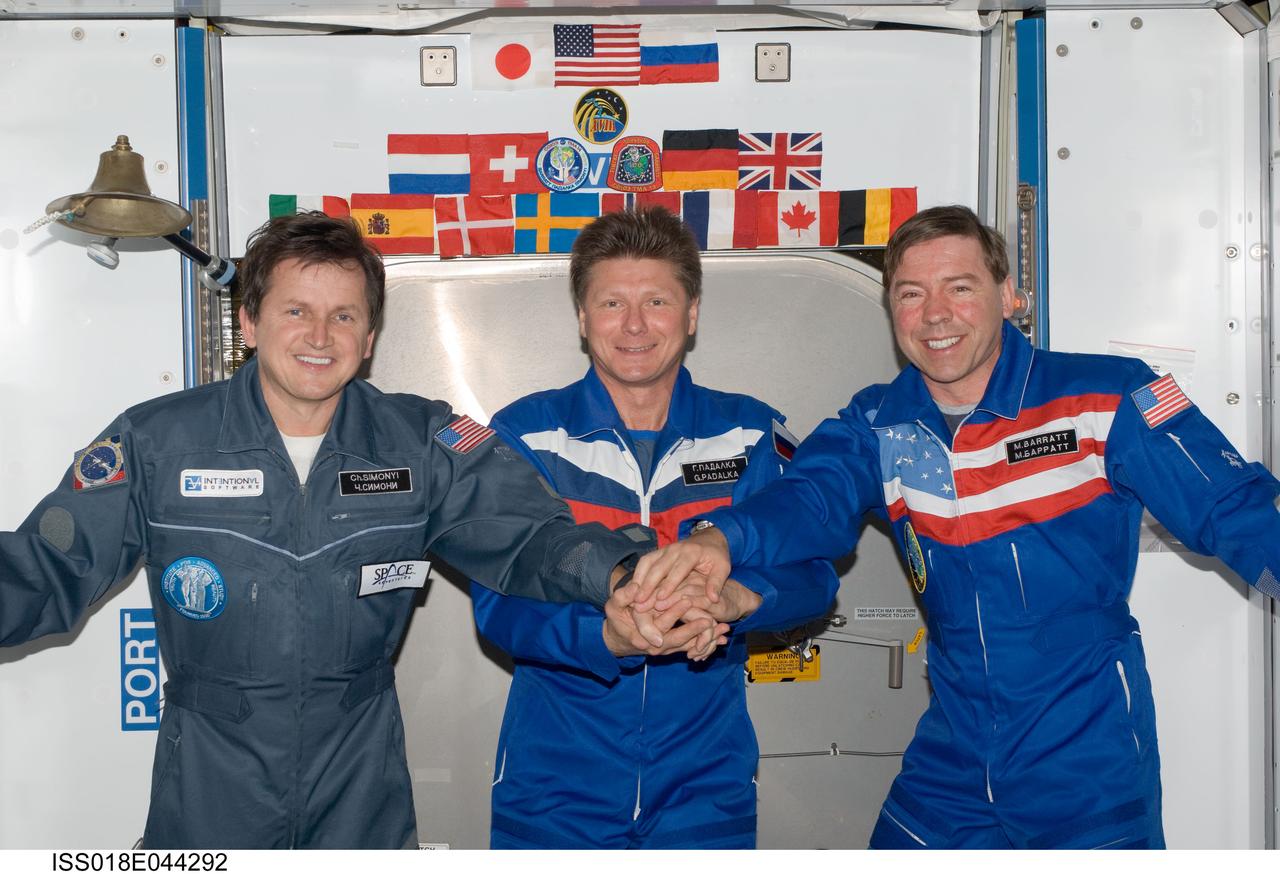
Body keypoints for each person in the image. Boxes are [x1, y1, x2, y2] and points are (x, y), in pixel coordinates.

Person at [623, 205, 1280, 849]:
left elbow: (1237, 510)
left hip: (1084, 763)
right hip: (953, 761)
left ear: (1008, 294)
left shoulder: (1107, 398)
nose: (935, 315)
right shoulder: (875, 423)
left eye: (959, 288)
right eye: (911, 293)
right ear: (892, 313)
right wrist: (720, 540)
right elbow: (810, 498)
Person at [0, 212, 656, 849]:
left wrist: (622, 573)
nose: (320, 335)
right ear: (250, 321)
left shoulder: (421, 443)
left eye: (344, 315)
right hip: (210, 783)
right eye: (295, 311)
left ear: (369, 337)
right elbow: (47, 567)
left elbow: (534, 537)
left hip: (359, 783)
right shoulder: (157, 441)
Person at [469, 207, 838, 849]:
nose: (634, 325)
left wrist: (739, 600)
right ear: (583, 318)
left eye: (657, 301)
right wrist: (605, 637)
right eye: (611, 302)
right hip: (554, 792)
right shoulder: (524, 436)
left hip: (704, 792)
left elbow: (816, 576)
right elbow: (497, 608)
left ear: (691, 314)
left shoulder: (750, 432)